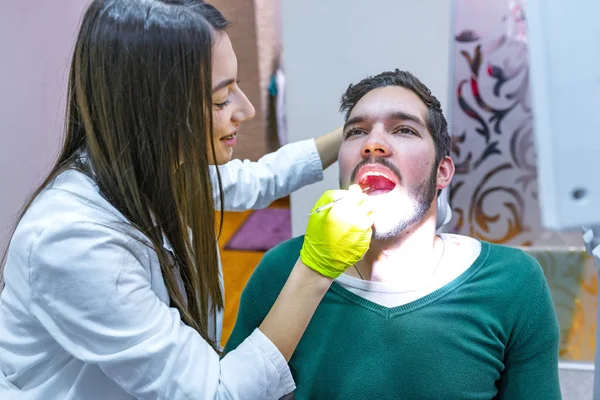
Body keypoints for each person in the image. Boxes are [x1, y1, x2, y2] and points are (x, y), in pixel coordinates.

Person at [0, 1, 374, 399]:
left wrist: (356, 131)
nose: (245, 110)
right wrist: (315, 269)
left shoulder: (160, 165)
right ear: (152, 109)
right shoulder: (72, 243)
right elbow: (214, 394)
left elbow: (257, 179)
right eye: (220, 99)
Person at [226, 69, 561, 399]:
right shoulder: (284, 271)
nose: (372, 145)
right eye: (356, 132)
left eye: (403, 129)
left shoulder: (513, 283)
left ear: (442, 172)